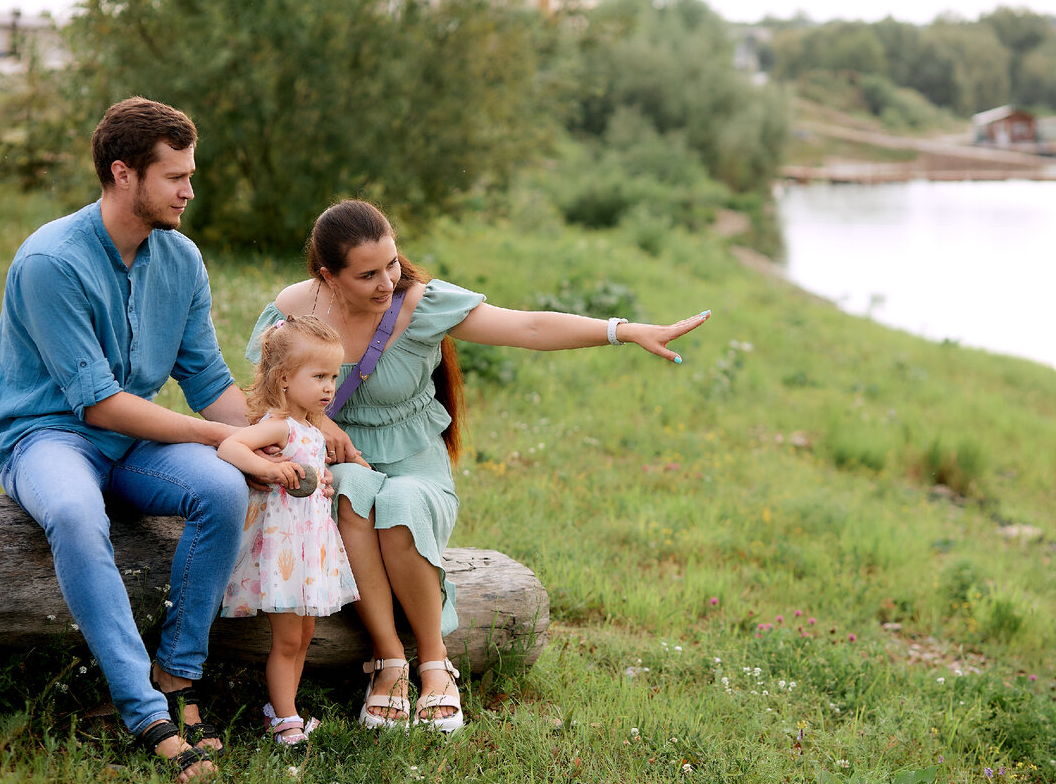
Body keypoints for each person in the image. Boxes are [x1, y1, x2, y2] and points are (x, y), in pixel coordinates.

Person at [247, 199, 709, 733]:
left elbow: (529, 328)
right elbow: (267, 388)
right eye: (368, 274)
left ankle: (436, 662)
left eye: (392, 265)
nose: (386, 283)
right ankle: (389, 661)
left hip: (414, 460)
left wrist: (622, 330)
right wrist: (314, 423)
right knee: (350, 489)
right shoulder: (295, 310)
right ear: (328, 276)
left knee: (400, 501)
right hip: (343, 465)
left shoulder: (419, 304)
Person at [0, 97, 251, 783]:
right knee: (75, 512)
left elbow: (208, 380)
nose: (191, 190)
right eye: (177, 177)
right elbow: (98, 405)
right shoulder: (51, 260)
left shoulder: (182, 260)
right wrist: (219, 435)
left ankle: (179, 675)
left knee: (222, 486)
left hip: (133, 441)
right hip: (48, 437)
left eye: (191, 174)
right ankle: (142, 709)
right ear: (123, 173)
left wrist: (274, 442)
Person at [216, 316, 360, 746]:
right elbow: (229, 445)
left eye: (334, 376)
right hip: (282, 547)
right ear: (283, 379)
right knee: (287, 638)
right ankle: (286, 720)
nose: (329, 387)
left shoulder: (314, 430)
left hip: (310, 546)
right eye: (318, 376)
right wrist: (270, 468)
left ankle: (282, 710)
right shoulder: (280, 425)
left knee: (305, 635)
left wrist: (324, 479)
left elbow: (312, 475)